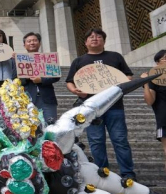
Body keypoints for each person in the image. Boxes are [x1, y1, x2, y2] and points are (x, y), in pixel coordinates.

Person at [66, 28, 135, 179]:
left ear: (104, 40)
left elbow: (128, 76)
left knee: (120, 140)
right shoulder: (79, 61)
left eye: (98, 36)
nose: (95, 38)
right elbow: (70, 82)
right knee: (96, 141)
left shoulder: (115, 57)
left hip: (114, 106)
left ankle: (128, 174)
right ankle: (103, 174)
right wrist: (76, 91)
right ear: (85, 42)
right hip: (90, 108)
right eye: (91, 37)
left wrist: (122, 83)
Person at [18, 32, 59, 124]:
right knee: (31, 128)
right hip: (27, 100)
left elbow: (56, 76)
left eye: (35, 40)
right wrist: (27, 78)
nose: (32, 43)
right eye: (29, 41)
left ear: (39, 43)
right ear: (24, 45)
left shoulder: (48, 59)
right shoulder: (19, 60)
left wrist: (42, 80)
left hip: (47, 99)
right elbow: (14, 78)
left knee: (50, 127)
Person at [141, 50, 166, 171]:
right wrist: (146, 83)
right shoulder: (154, 79)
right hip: (164, 119)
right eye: (165, 58)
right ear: (157, 63)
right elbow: (149, 101)